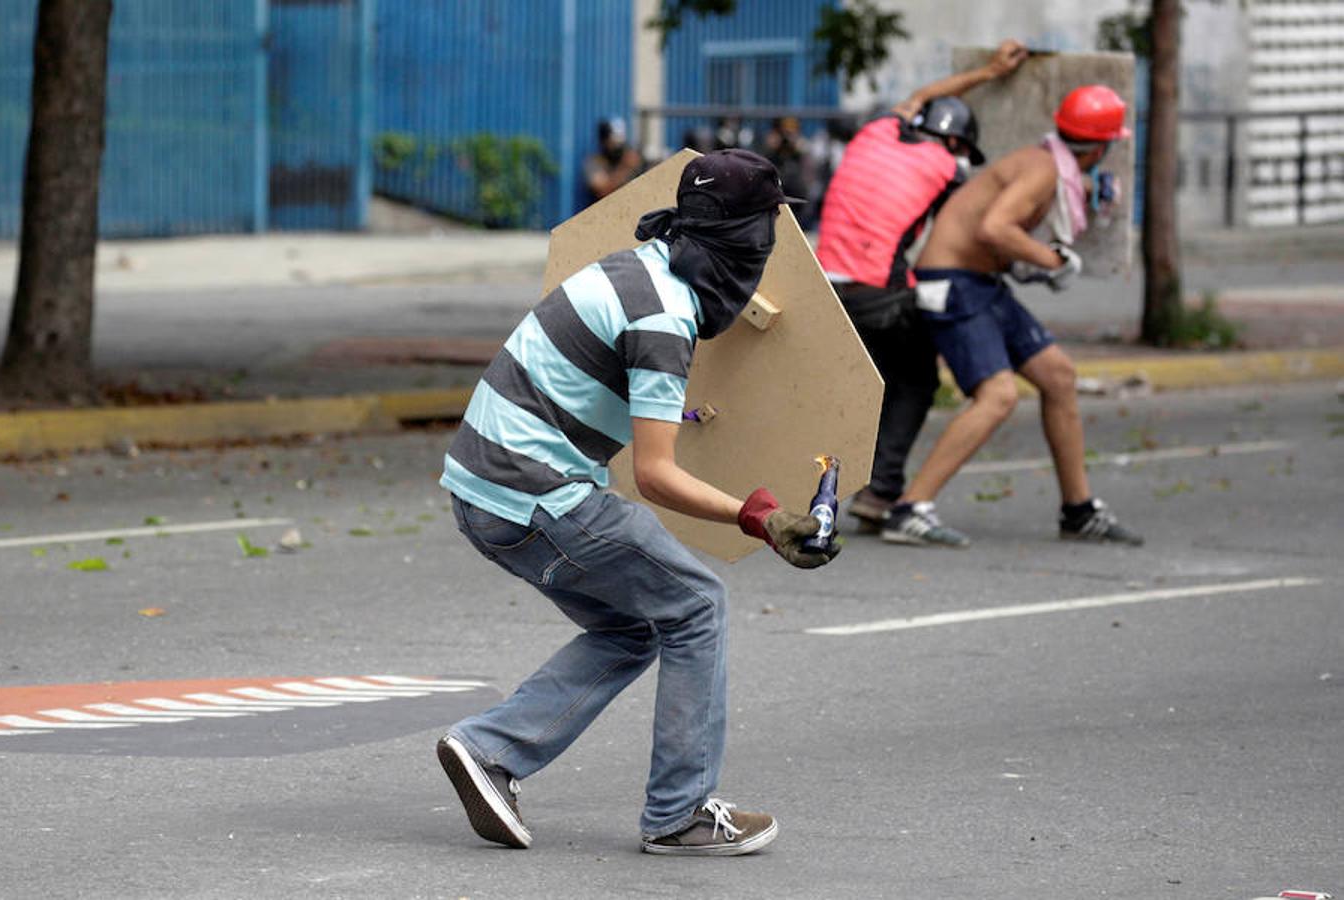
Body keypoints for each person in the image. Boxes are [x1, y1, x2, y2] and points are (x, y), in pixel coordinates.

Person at [436, 149, 839, 857]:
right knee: (697, 604)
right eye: (769, 231)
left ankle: (491, 750)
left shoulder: (637, 267)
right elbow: (655, 476)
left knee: (636, 626)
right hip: (537, 497)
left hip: (482, 489)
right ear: (747, 239)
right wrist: (762, 517)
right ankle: (679, 815)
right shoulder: (664, 317)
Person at [892, 84, 1144, 547]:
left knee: (1058, 375)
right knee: (998, 395)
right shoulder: (1044, 170)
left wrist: (1041, 257)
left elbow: (998, 234)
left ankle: (1078, 510)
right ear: (1102, 146)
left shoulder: (1044, 164)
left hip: (979, 283)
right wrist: (1054, 262)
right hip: (953, 284)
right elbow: (995, 228)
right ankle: (911, 507)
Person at [815, 39, 1028, 542]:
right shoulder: (949, 168)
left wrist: (989, 70)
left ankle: (832, 480)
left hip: (823, 286)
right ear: (956, 145)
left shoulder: (877, 130)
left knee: (867, 380)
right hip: (878, 292)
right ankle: (883, 490)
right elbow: (967, 233)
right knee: (915, 379)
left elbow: (923, 94)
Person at [583, 118, 643, 206]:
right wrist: (625, 168)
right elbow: (603, 190)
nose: (618, 147)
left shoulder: (630, 157)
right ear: (604, 141)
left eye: (620, 143)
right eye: (613, 142)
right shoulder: (593, 162)